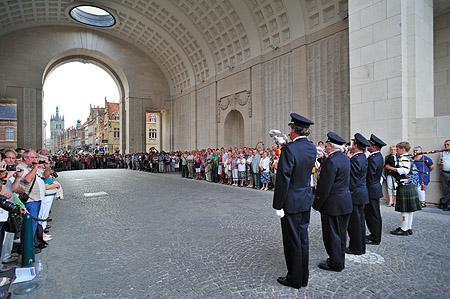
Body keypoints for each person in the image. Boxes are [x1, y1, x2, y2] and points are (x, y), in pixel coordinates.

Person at [273, 113, 316, 289]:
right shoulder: (312, 148)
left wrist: (278, 205)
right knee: (303, 239)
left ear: (293, 130)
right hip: (305, 198)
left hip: (291, 201)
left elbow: (283, 179)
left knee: (292, 241)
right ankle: (303, 276)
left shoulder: (289, 150)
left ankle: (294, 278)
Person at [313, 132, 352, 272]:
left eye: (327, 145)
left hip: (332, 204)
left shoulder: (331, 161)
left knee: (332, 235)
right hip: (345, 202)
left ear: (330, 147)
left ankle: (335, 263)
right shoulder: (345, 158)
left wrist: (317, 203)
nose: (326, 148)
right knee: (341, 234)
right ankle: (339, 259)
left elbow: (325, 186)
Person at [387, 142, 421, 235]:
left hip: (405, 185)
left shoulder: (404, 158)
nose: (396, 151)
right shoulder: (408, 157)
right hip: (409, 185)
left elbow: (404, 170)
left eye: (397, 149)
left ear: (403, 149)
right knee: (409, 209)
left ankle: (403, 229)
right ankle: (408, 227)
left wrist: (390, 167)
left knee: (404, 209)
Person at [346, 133, 370, 255]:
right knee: (359, 222)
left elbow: (352, 180)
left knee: (354, 223)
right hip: (361, 194)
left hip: (355, 194)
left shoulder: (356, 160)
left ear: (356, 145)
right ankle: (360, 246)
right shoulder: (362, 158)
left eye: (353, 144)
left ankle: (356, 248)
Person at [365, 134, 386, 245]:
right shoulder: (377, 156)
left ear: (373, 146)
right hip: (374, 188)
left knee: (373, 214)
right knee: (373, 214)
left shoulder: (374, 158)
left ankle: (375, 237)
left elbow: (370, 175)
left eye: (370, 144)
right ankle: (374, 234)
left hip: (371, 189)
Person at [439, 140, 450, 210]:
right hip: (444, 173)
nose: (446, 146)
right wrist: (441, 164)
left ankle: (443, 201)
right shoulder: (442, 153)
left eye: (448, 144)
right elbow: (439, 165)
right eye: (445, 144)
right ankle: (447, 204)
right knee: (445, 190)